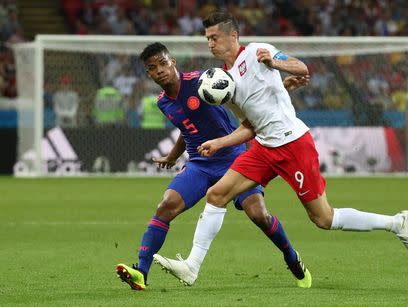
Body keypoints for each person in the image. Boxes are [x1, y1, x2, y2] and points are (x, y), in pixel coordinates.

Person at [153, 10, 408, 287]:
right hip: (264, 147)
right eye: (207, 38)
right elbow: (250, 126)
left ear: (233, 36)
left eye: (214, 37)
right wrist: (220, 142)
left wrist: (277, 65)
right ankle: (192, 267)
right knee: (217, 194)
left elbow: (302, 68)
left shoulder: (258, 51)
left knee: (323, 218)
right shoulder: (222, 81)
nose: (210, 43)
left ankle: (395, 224)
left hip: (293, 144)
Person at [116, 42, 311, 290]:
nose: (160, 71)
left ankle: (291, 257)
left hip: (233, 157)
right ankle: (141, 271)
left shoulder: (203, 81)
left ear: (173, 62)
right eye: (153, 68)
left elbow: (247, 102)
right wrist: (174, 155)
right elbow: (186, 127)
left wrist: (282, 88)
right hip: (200, 163)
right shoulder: (163, 102)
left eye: (163, 63)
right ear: (149, 74)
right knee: (166, 206)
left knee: (258, 214)